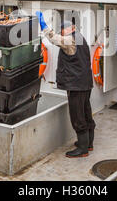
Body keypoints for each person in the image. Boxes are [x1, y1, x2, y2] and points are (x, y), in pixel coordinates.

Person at [36, 11, 95, 158]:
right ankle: (88, 143)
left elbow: (54, 39)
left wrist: (43, 25)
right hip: (86, 83)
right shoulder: (81, 38)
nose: (63, 33)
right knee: (86, 111)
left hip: (76, 85)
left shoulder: (70, 40)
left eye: (64, 30)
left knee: (77, 115)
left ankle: (82, 149)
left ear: (72, 28)